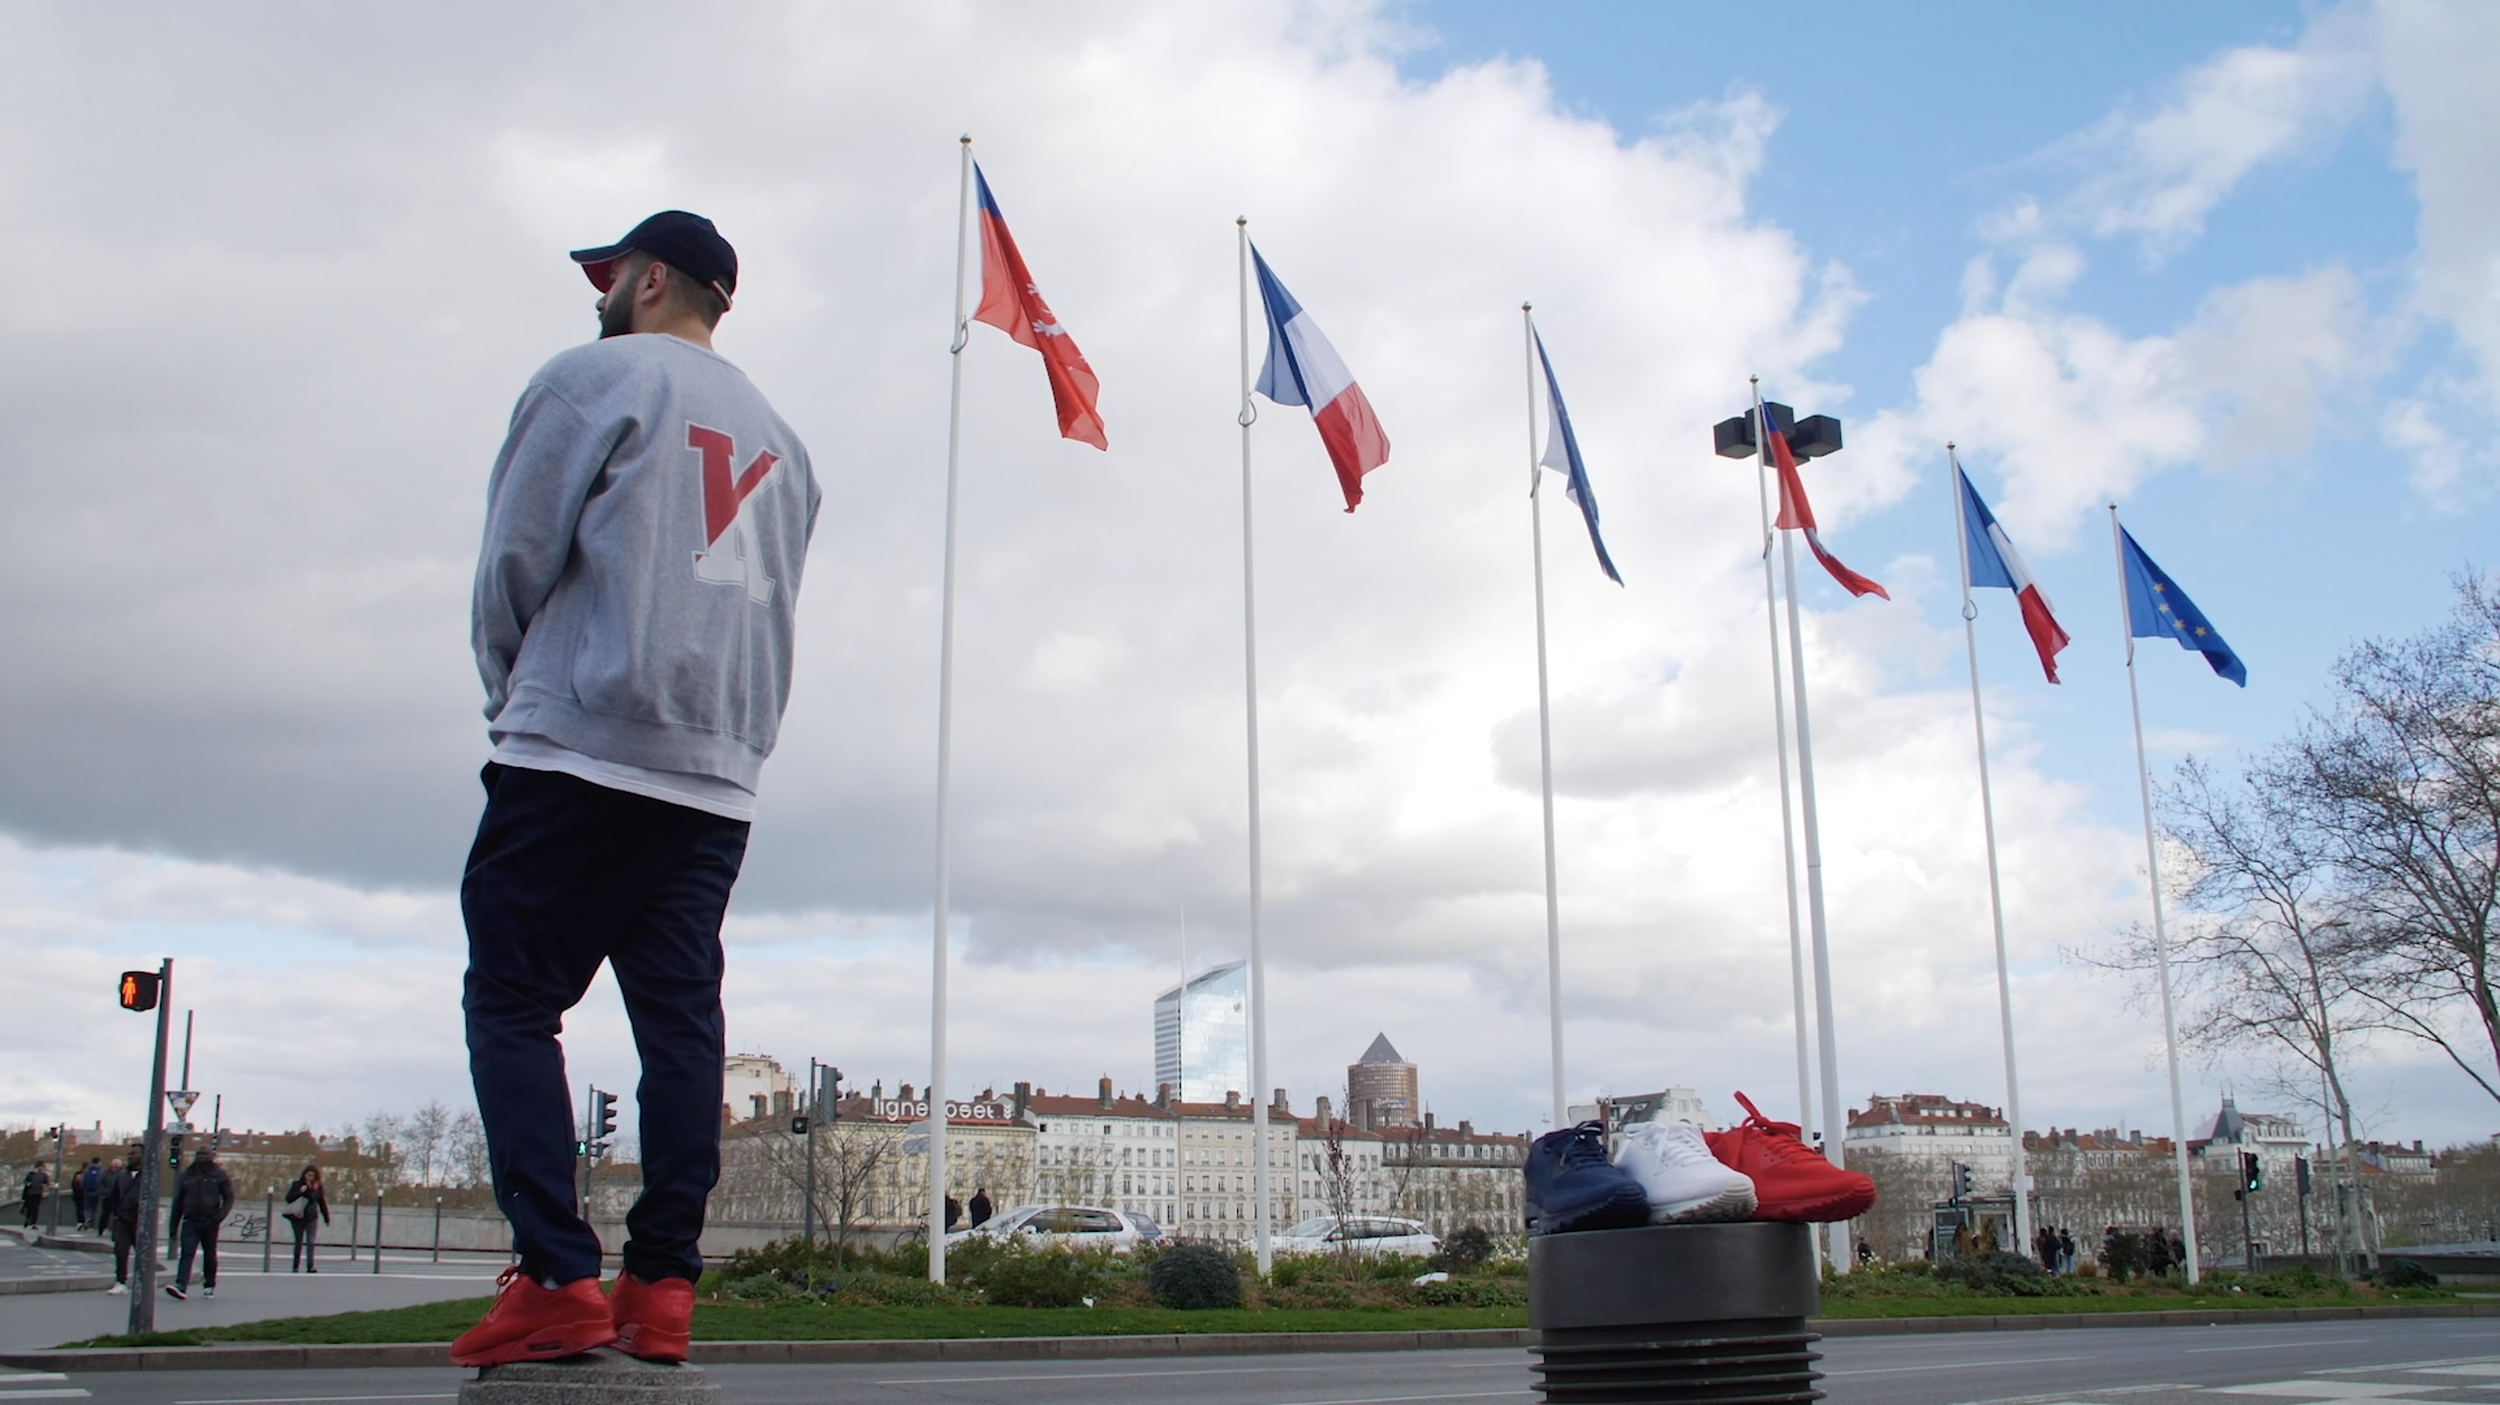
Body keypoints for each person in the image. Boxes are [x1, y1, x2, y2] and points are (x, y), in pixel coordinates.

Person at [449, 210, 819, 1372]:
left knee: (513, 1002)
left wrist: (514, 699)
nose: (600, 295)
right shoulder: (789, 443)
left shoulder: (592, 379)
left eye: (610, 277)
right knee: (679, 1024)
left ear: (652, 279)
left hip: (579, 739)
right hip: (713, 774)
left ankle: (555, 1272)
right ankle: (661, 1280)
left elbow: (516, 557)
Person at [165, 1147, 234, 1301]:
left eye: (205, 1155)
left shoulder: (219, 1175)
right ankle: (180, 1285)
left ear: (211, 1157)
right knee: (187, 1253)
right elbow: (178, 1202)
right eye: (199, 1155)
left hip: (210, 1220)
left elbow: (229, 1198)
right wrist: (173, 1226)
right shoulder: (186, 1176)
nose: (202, 1158)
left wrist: (219, 1216)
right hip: (190, 1219)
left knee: (210, 1254)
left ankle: (209, 1285)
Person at [99, 1157, 137, 1294]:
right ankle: (120, 1281)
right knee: (121, 1251)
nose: (132, 1156)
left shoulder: (148, 1175)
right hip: (123, 1219)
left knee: (143, 1254)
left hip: (141, 1221)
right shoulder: (122, 1176)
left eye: (135, 1153)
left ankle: (144, 1280)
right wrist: (117, 1213)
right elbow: (113, 1196)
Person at [284, 1165, 331, 1273]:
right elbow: (288, 1198)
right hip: (298, 1217)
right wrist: (300, 1191)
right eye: (308, 1175)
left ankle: (310, 1265)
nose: (310, 1177)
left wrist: (326, 1217)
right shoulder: (297, 1184)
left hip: (311, 1217)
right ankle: (295, 1266)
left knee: (311, 1242)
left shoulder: (317, 1186)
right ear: (304, 1175)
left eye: (313, 1176)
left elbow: (321, 1202)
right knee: (298, 1242)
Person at [19, 1163, 46, 1229]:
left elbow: (46, 1183)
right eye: (40, 1167)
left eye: (42, 1167)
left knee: (35, 1209)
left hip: (38, 1194)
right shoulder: (31, 1174)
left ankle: (33, 1223)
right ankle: (27, 1220)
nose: (41, 1169)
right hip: (30, 1194)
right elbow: (26, 1181)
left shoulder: (44, 1176)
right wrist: (28, 1183)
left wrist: (44, 1186)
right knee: (29, 1208)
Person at [76, 1158, 101, 1231]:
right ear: (99, 1162)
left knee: (87, 1208)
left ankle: (87, 1218)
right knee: (94, 1208)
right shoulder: (101, 1171)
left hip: (87, 1192)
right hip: (97, 1192)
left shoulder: (87, 1171)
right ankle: (91, 1225)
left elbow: (82, 1183)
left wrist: (84, 1190)